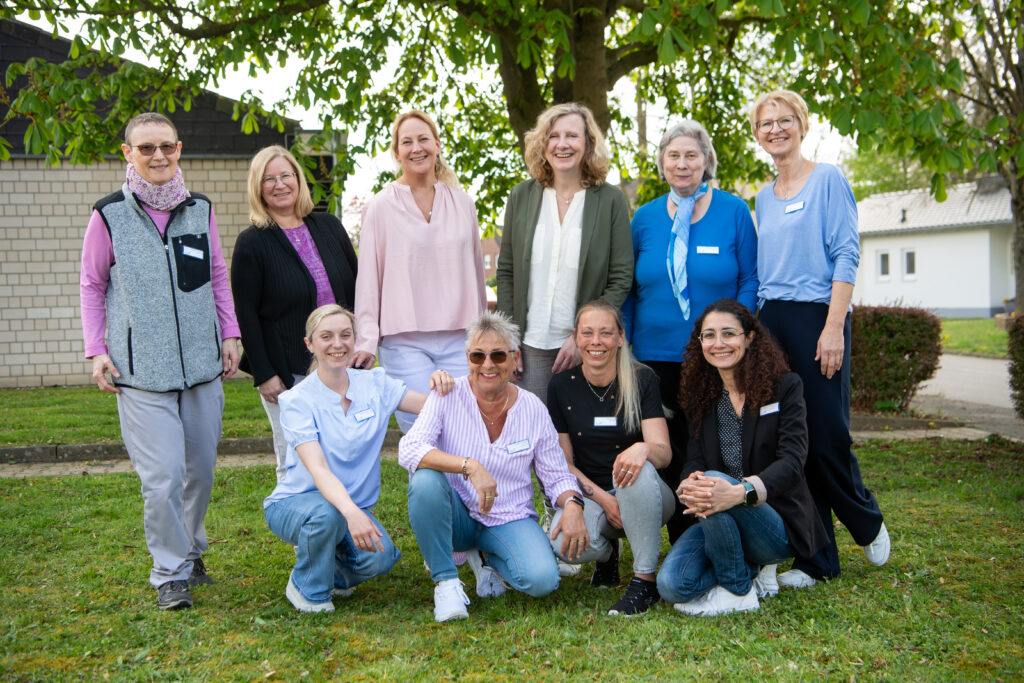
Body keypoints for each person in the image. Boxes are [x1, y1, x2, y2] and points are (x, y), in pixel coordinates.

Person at [79, 112, 241, 610]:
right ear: (128, 153)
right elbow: (92, 284)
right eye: (146, 147)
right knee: (164, 477)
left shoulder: (200, 209)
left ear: (179, 149)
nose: (158, 156)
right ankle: (169, 573)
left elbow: (216, 275)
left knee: (201, 471)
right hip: (141, 373)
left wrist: (230, 333)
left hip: (201, 366)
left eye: (166, 146)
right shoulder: (108, 215)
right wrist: (97, 349)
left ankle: (190, 551)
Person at [750, 90, 890, 587]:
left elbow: (847, 254)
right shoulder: (763, 197)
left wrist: (834, 327)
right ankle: (818, 558)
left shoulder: (828, 179)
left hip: (818, 316)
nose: (775, 129)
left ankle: (865, 518)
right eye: (766, 123)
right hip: (773, 320)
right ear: (757, 134)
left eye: (784, 119)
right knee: (792, 438)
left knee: (827, 434)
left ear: (802, 125)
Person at [398, 310, 588, 622]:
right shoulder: (446, 395)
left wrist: (573, 503)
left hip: (508, 516)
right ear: (467, 358)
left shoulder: (533, 408)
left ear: (515, 359)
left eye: (498, 355)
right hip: (457, 516)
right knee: (425, 481)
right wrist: (469, 466)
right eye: (478, 355)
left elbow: (555, 474)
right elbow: (409, 449)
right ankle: (446, 582)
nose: (488, 364)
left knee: (542, 580)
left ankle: (487, 557)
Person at [263, 305, 454, 613]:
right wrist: (351, 512)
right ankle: (307, 589)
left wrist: (442, 385)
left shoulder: (375, 384)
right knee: (326, 514)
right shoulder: (296, 400)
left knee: (382, 559)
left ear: (354, 339)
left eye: (345, 335)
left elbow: (430, 407)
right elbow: (318, 469)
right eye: (326, 337)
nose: (337, 344)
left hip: (348, 509)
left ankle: (327, 570)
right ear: (309, 344)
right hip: (297, 504)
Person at [622, 120, 759, 544]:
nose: (682, 164)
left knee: (713, 444)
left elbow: (751, 279)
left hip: (716, 355)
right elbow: (628, 289)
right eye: (673, 155)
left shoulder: (734, 211)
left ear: (706, 161)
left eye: (691, 155)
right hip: (654, 355)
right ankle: (681, 537)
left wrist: (738, 334)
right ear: (662, 163)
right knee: (668, 447)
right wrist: (625, 344)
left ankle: (720, 528)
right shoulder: (644, 218)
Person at [656, 299, 829, 616]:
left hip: (775, 521)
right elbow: (694, 458)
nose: (718, 343)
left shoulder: (784, 387)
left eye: (728, 333)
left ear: (749, 338)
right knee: (672, 585)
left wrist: (741, 492)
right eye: (709, 335)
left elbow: (792, 462)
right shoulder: (700, 395)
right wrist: (688, 482)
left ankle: (738, 592)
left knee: (713, 483)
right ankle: (749, 569)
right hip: (719, 519)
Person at [353, 110, 486, 432]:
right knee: (420, 428)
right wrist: (366, 340)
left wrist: (483, 334)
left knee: (465, 427)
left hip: (460, 337)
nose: (416, 148)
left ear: (437, 145)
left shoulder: (463, 204)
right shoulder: (380, 207)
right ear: (397, 152)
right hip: (404, 341)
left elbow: (476, 274)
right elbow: (368, 280)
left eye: (423, 139)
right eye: (407, 142)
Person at [231, 146, 358, 482]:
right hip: (288, 373)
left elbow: (357, 288)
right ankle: (298, 517)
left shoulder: (330, 226)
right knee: (296, 463)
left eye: (286, 175)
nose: (279, 184)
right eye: (269, 179)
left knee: (343, 456)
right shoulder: (252, 243)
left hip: (341, 366)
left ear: (298, 180)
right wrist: (264, 374)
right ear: (258, 188)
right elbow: (247, 314)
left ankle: (346, 516)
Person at [496, 102, 633, 406]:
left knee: (583, 431)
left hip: (587, 348)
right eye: (553, 136)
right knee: (534, 429)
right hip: (529, 346)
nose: (562, 144)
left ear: (588, 144)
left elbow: (621, 277)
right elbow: (506, 271)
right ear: (542, 144)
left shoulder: (610, 200)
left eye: (572, 135)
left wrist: (582, 336)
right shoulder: (521, 196)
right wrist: (509, 337)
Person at [546, 300, 675, 617]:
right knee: (562, 545)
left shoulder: (642, 379)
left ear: (620, 337)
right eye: (587, 333)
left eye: (605, 333)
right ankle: (607, 556)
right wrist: (605, 500)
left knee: (636, 469)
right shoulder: (561, 386)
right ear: (576, 338)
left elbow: (663, 453)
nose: (596, 341)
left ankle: (644, 581)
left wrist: (643, 448)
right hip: (594, 495)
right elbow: (564, 464)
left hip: (647, 495)